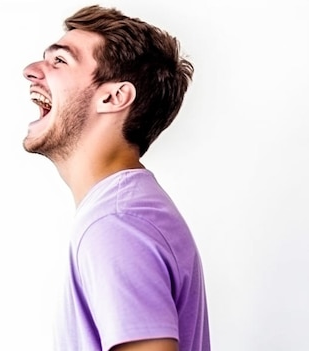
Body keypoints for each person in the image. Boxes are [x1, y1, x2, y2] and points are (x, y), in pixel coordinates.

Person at [21, 5, 210, 351]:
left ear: (113, 97)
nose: (31, 71)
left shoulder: (118, 223)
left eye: (60, 61)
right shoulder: (127, 211)